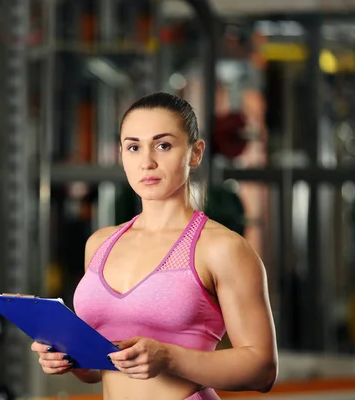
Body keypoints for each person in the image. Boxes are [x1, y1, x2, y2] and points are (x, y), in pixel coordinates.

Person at [31, 92, 278, 400]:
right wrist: (71, 359)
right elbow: (102, 370)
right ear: (121, 155)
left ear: (195, 153)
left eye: (163, 145)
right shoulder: (99, 244)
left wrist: (170, 357)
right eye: (133, 147)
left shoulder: (222, 248)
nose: (146, 162)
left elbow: (262, 369)